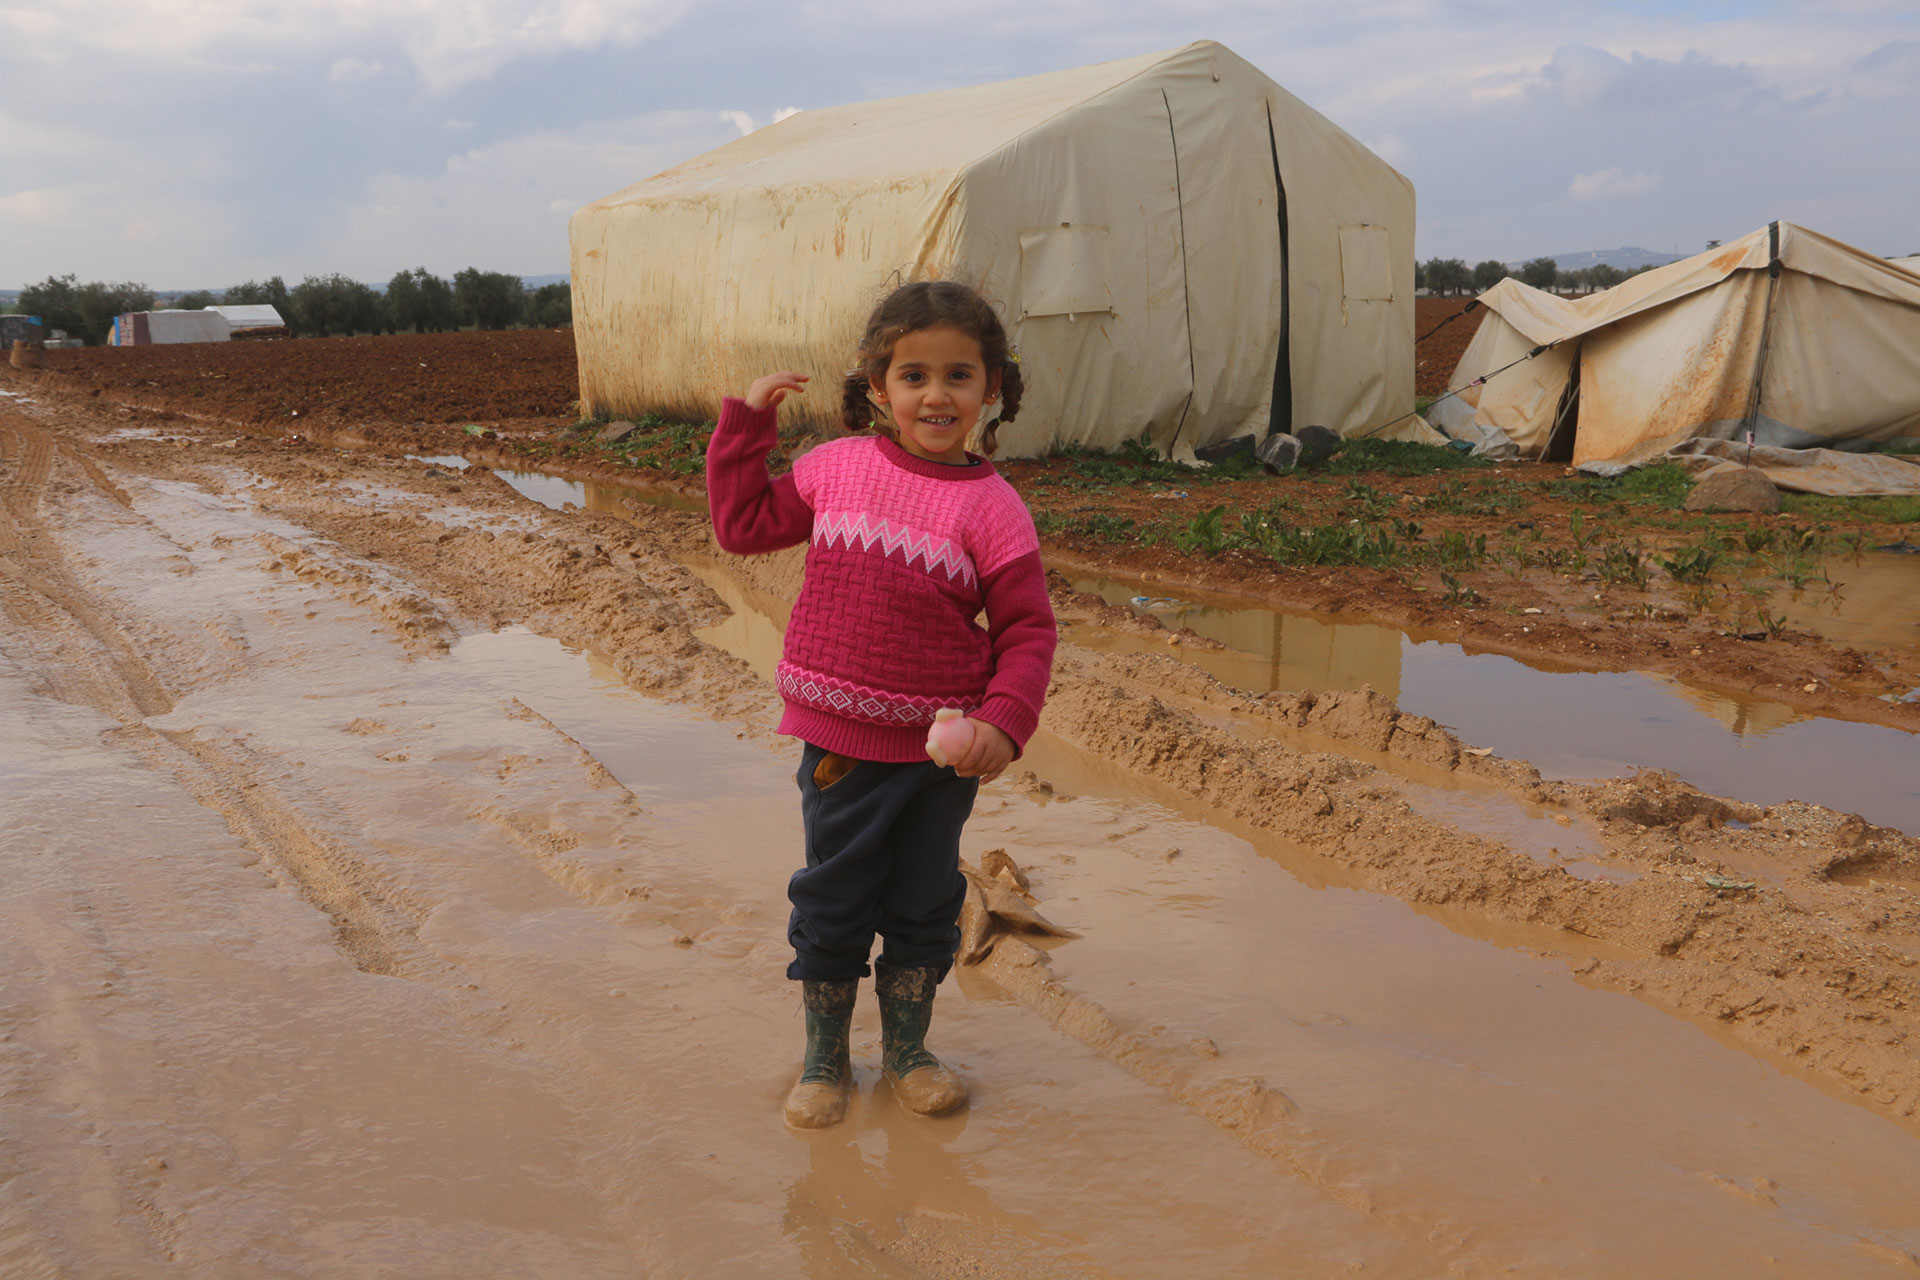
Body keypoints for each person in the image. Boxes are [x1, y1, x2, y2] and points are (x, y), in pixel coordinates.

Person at [706, 280, 1057, 1129]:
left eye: (959, 376)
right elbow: (743, 526)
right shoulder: (836, 468)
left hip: (938, 757)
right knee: (833, 900)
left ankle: (909, 1053)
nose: (936, 395)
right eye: (913, 376)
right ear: (878, 386)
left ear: (992, 387)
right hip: (841, 749)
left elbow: (1027, 630)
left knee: (924, 902)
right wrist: (746, 429)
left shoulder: (994, 509)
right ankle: (825, 1060)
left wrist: (1003, 722)